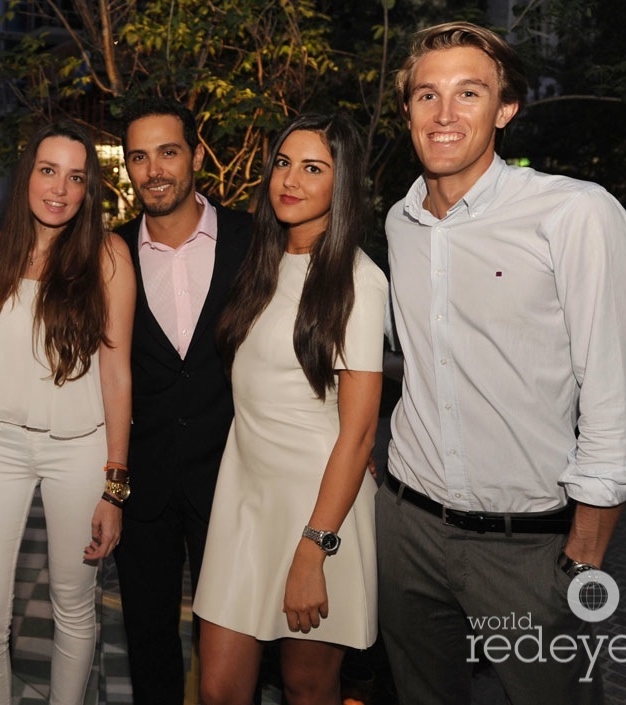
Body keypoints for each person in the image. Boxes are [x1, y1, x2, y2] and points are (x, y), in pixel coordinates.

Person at [379, 21, 626, 705]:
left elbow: (618, 399)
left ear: (505, 109)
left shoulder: (574, 214)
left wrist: (581, 557)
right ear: (407, 110)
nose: (444, 115)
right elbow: (420, 357)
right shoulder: (399, 222)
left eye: (468, 94)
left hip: (529, 550)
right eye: (426, 96)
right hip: (408, 531)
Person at [192, 113, 386, 705]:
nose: (290, 180)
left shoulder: (357, 279)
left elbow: (357, 435)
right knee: (220, 689)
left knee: (308, 689)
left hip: (317, 512)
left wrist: (314, 548)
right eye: (283, 163)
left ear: (341, 184)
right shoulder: (260, 265)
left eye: (312, 168)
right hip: (242, 503)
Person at [0, 120, 134, 704]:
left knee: (74, 607)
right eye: (48, 170)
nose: (59, 188)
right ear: (27, 175)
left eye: (76, 176)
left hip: (79, 448)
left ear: (89, 190)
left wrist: (115, 486)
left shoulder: (107, 256)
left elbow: (116, 372)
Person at [112, 97, 253, 704]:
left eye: (168, 152)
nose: (154, 170)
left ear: (195, 155)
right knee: (147, 640)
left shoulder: (253, 238)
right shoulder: (109, 250)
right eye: (139, 157)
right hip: (145, 481)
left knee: (237, 638)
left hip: (235, 476)